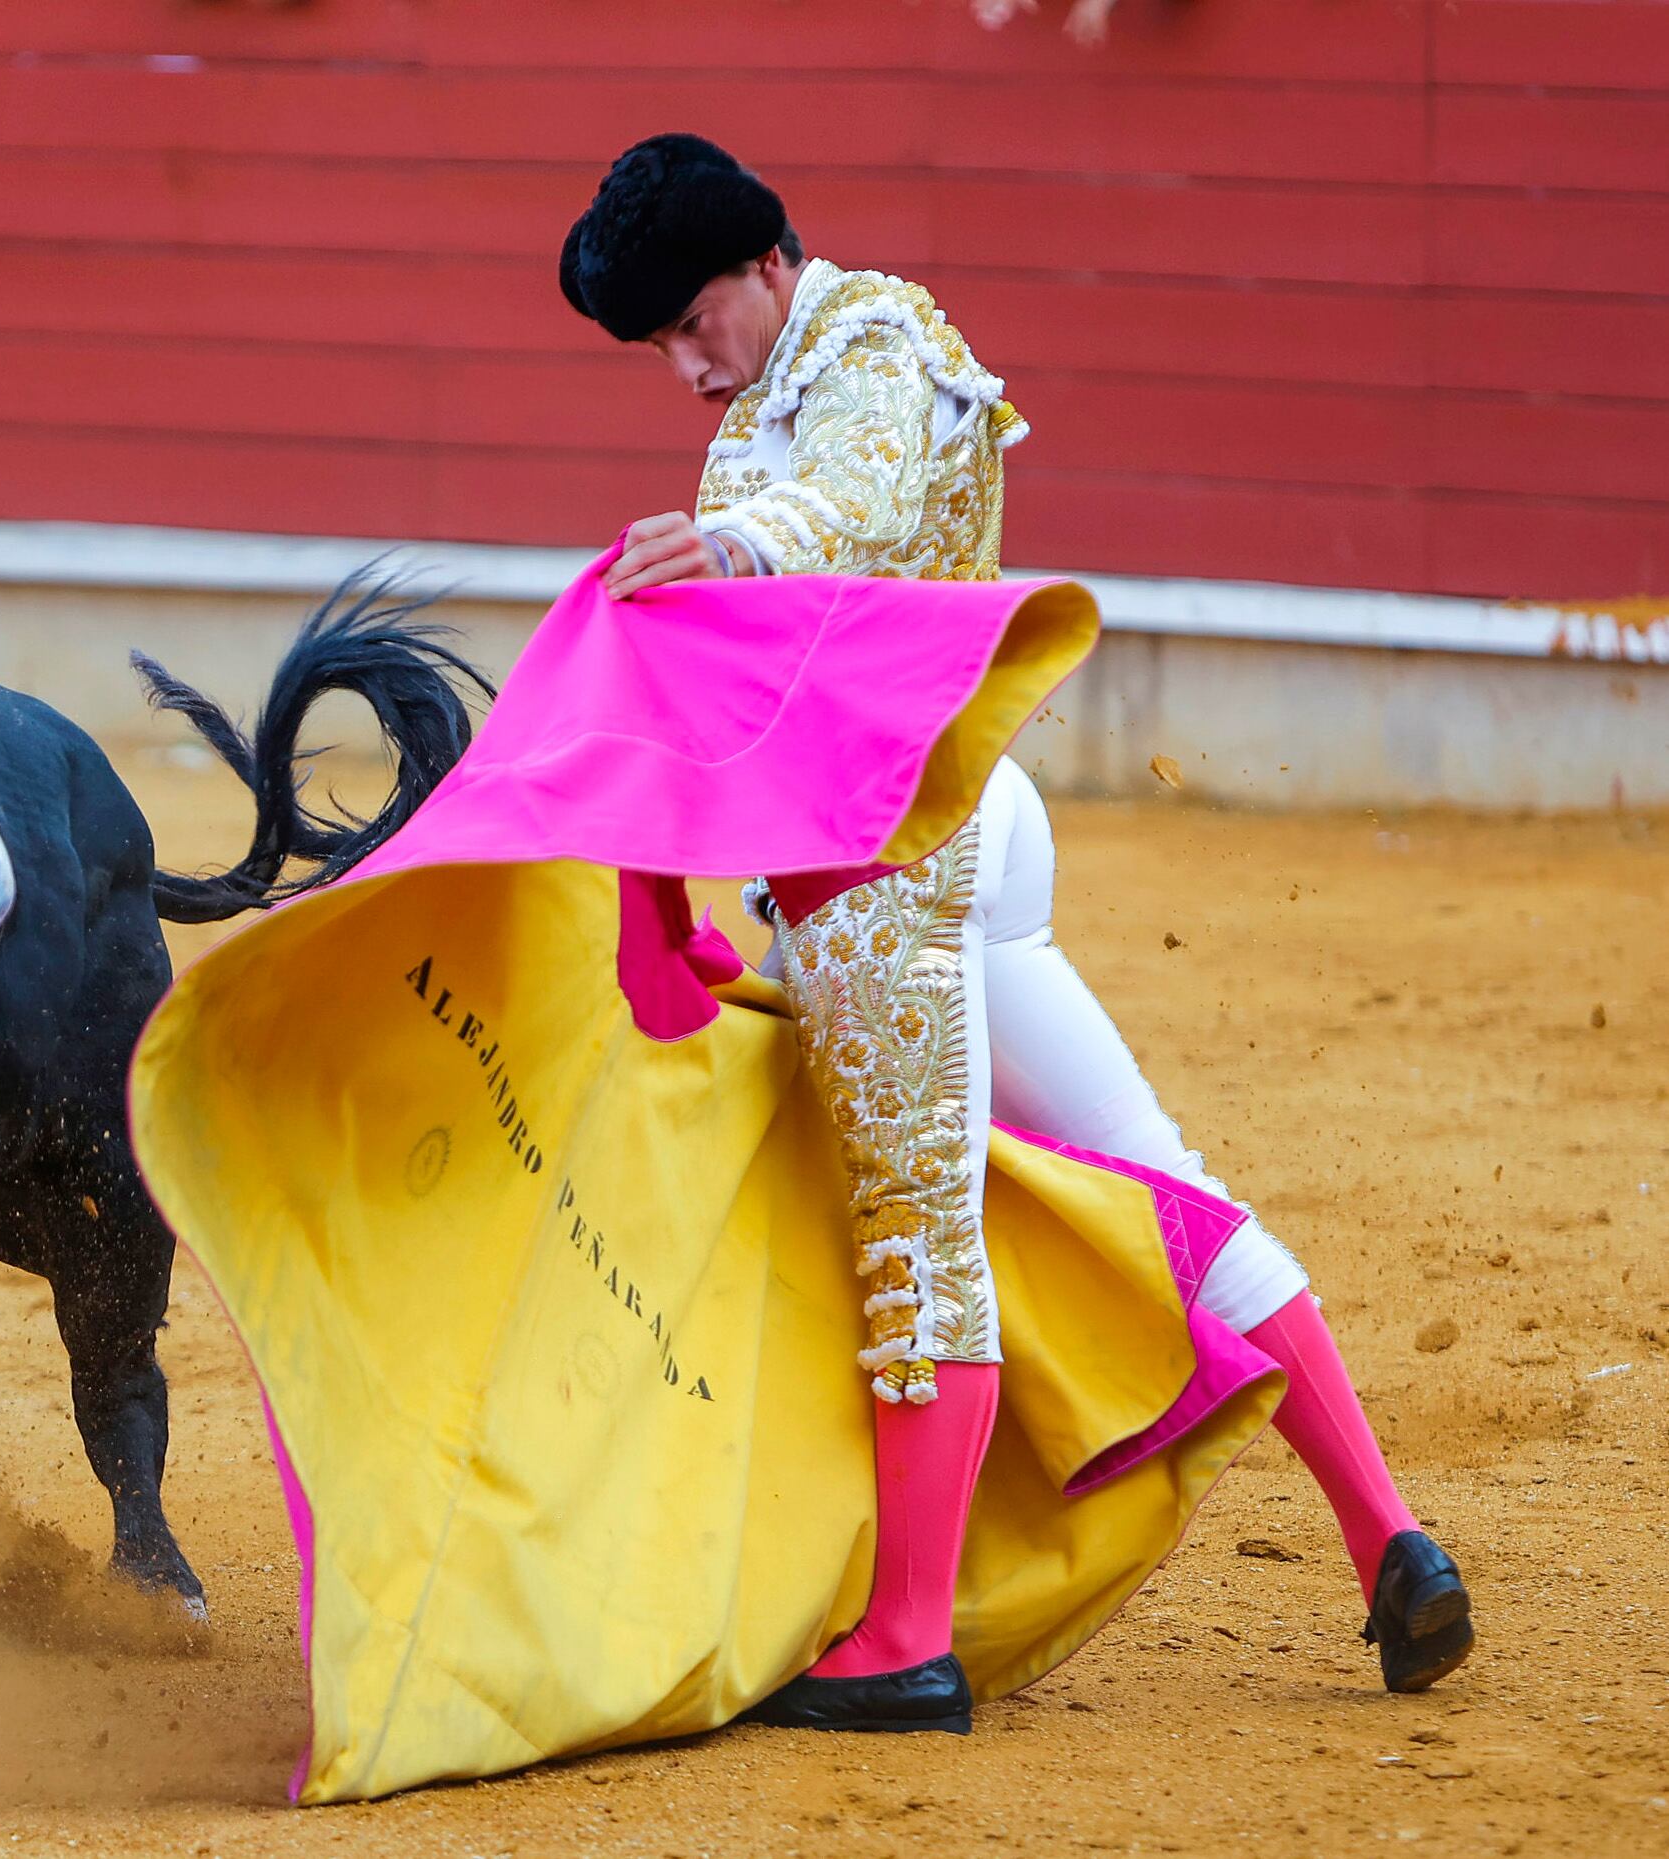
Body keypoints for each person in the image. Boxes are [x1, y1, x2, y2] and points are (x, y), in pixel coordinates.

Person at [556, 133, 1471, 1730]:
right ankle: (1389, 1532)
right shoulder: (788, 385)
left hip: (889, 869)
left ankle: (907, 1632)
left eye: (693, 321)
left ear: (769, 261)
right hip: (942, 835)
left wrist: (744, 548)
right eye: (660, 348)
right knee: (1154, 1175)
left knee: (914, 1238)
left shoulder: (874, 346)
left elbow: (848, 502)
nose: (684, 366)